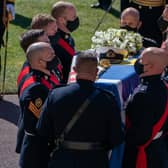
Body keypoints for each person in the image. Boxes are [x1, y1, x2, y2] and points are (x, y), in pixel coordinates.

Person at [36, 51, 124, 168]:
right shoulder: (107, 99)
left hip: (62, 159)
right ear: (96, 71)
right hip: (95, 160)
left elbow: (43, 130)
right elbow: (117, 137)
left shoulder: (56, 94)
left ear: (74, 69)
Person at [122, 47, 168, 168]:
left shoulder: (143, 95)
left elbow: (140, 135)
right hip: (158, 148)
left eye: (142, 60)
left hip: (145, 155)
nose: (138, 62)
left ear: (150, 67)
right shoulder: (163, 85)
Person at [18, 42, 61, 168]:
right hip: (38, 152)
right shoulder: (36, 89)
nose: (55, 57)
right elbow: (38, 124)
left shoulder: (44, 78)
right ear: (40, 62)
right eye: (51, 55)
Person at [50, 1, 79, 84]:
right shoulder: (54, 42)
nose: (76, 19)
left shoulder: (66, 35)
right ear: (61, 20)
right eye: (74, 16)